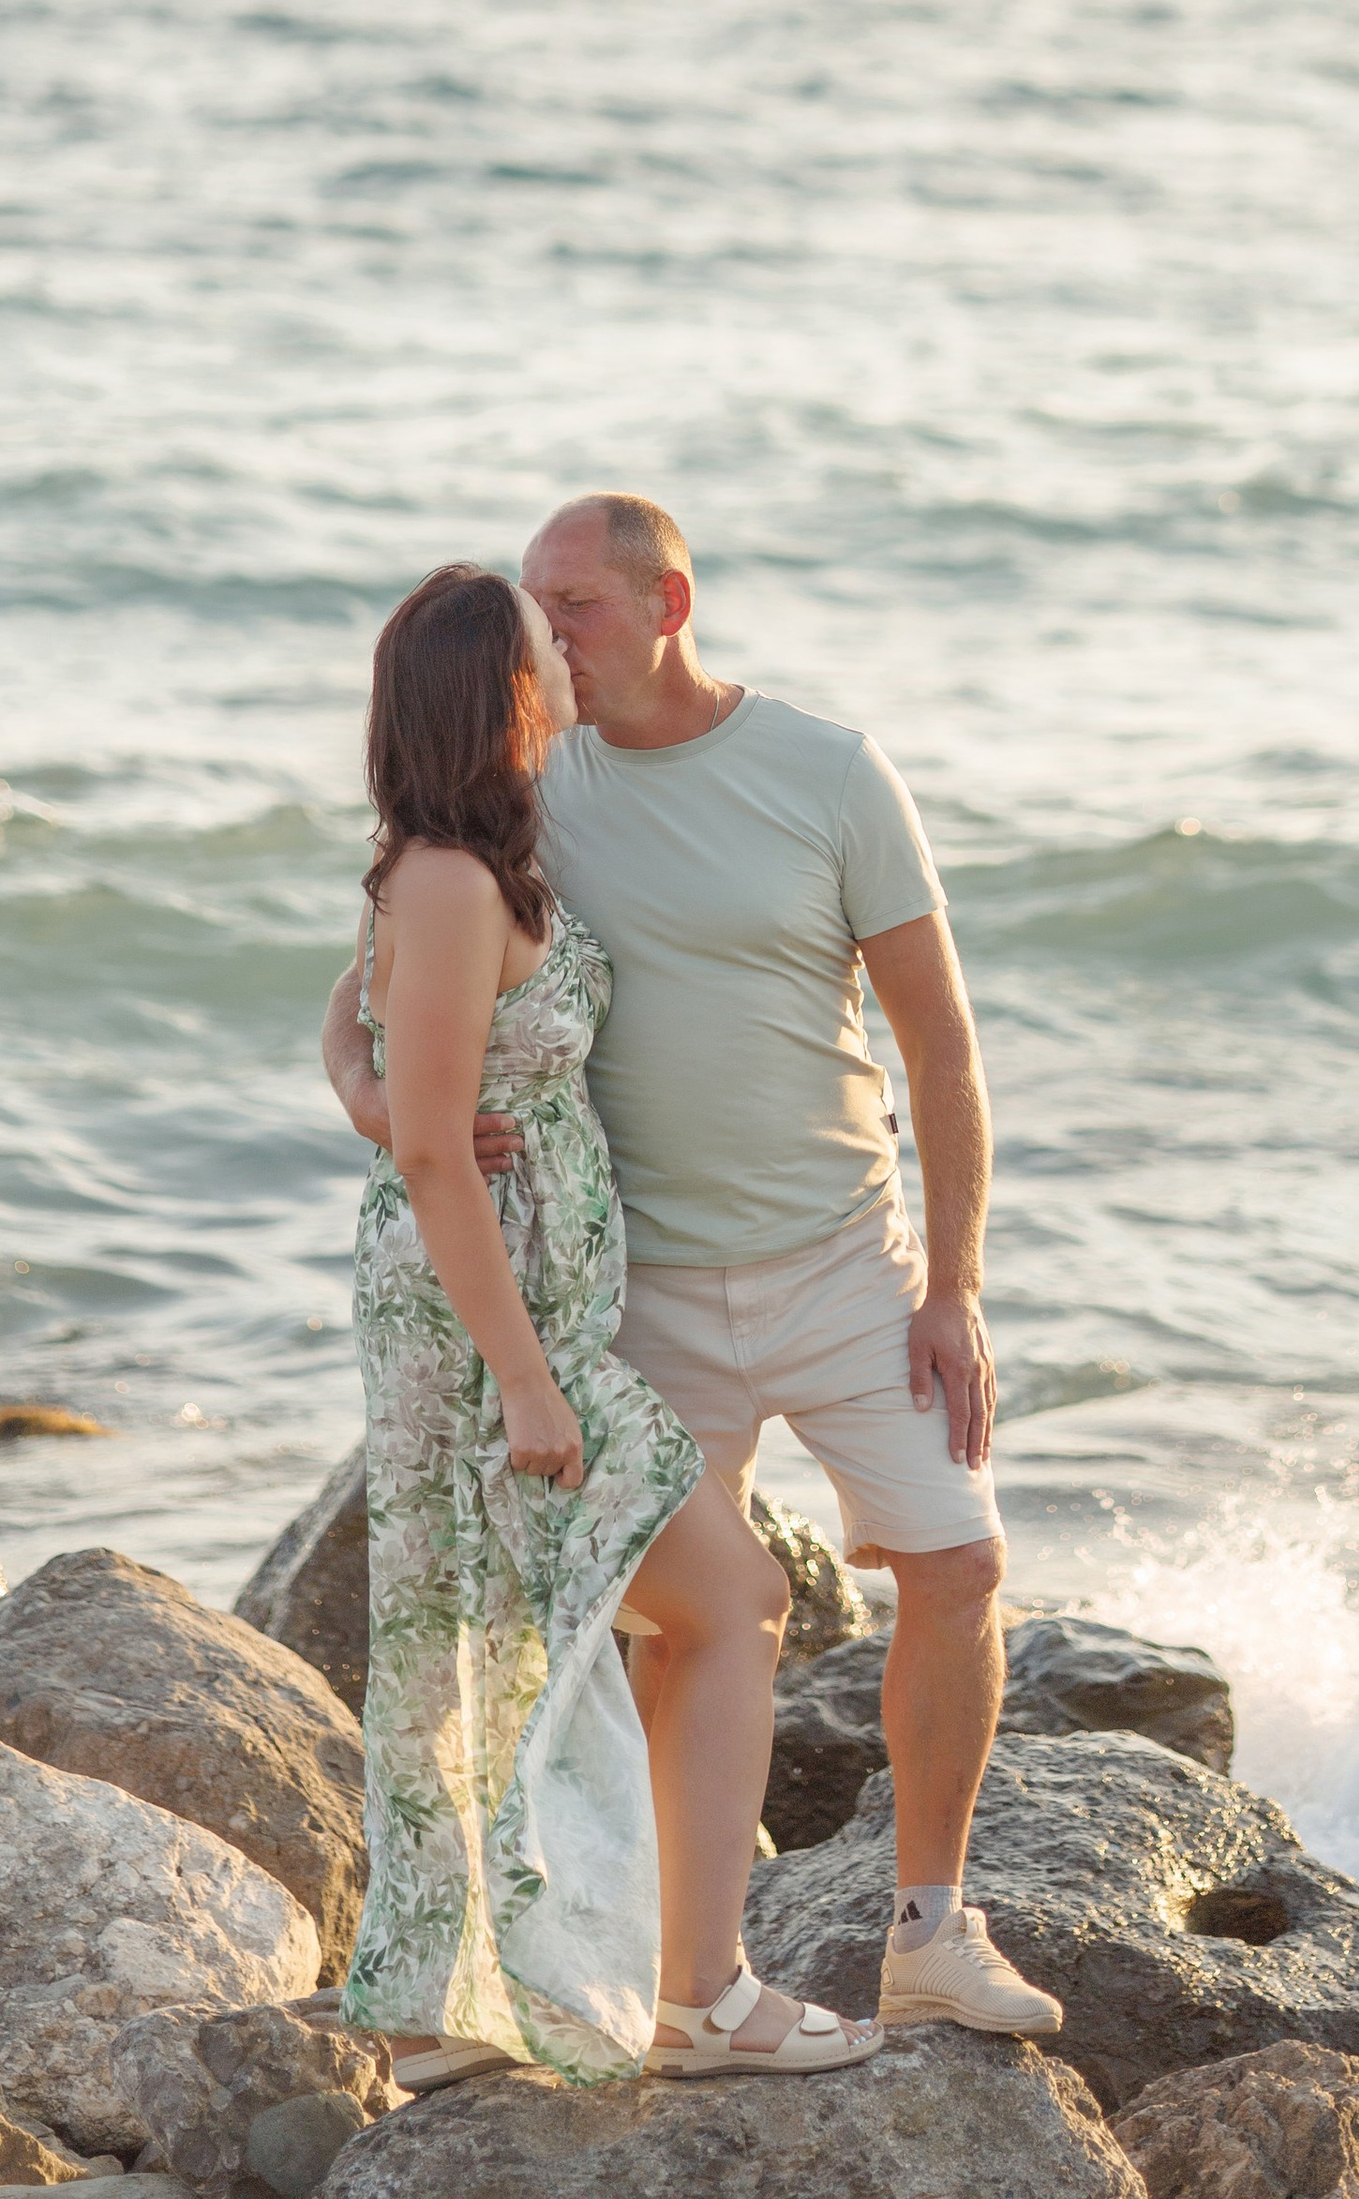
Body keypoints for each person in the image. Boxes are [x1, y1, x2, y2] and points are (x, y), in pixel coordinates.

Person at [325, 495, 1061, 2044]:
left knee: (960, 1561)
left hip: (845, 1261)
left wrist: (956, 1287)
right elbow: (379, 974)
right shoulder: (532, 785)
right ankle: (678, 1984)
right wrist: (385, 1107)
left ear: (671, 601)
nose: (551, 632)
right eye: (534, 608)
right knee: (686, 1621)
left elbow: (941, 1044)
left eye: (575, 602)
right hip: (638, 1287)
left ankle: (928, 1927)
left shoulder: (828, 772)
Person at [337, 560, 881, 2085]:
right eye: (540, 639)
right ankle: (697, 1995)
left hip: (516, 1311)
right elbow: (436, 1147)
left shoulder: (476, 861)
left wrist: (362, 1085)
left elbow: (362, 1034)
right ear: (502, 691)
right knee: (719, 1602)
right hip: (485, 1331)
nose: (566, 651)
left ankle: (450, 2007)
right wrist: (525, 1379)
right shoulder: (447, 878)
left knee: (496, 1631)